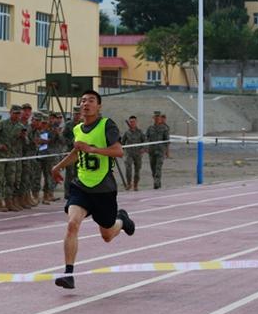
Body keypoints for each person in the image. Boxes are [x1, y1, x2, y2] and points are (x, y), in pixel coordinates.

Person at [51, 90, 135, 290]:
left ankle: (121, 220)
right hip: (81, 187)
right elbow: (77, 151)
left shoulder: (107, 125)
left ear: (99, 106)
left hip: (103, 190)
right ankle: (69, 273)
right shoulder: (77, 128)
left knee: (107, 235)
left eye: (90, 100)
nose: (85, 104)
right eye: (82, 101)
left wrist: (93, 149)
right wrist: (58, 166)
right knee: (72, 224)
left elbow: (118, 151)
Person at [120, 115, 146, 191]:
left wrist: (143, 149)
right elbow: (122, 143)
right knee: (128, 169)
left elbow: (145, 141)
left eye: (133, 122)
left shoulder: (140, 132)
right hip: (129, 153)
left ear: (136, 122)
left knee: (137, 170)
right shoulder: (127, 133)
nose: (132, 123)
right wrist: (121, 150)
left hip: (138, 153)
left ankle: (136, 185)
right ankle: (129, 184)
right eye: (131, 122)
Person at [146, 110, 170, 189]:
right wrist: (145, 148)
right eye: (155, 117)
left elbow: (167, 141)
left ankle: (156, 183)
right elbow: (146, 139)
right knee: (153, 168)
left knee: (158, 168)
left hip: (160, 151)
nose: (157, 118)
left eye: (158, 117)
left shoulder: (164, 128)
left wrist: (167, 151)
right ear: (153, 118)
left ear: (160, 118)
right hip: (152, 151)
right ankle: (157, 183)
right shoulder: (150, 128)